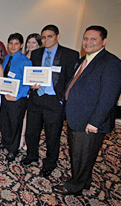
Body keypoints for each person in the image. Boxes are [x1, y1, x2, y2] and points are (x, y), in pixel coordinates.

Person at [53, 26, 121, 196]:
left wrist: (95, 122)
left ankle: (75, 186)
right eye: (86, 38)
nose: (88, 42)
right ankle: (82, 179)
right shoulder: (83, 60)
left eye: (93, 39)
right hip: (76, 116)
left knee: (83, 155)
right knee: (79, 153)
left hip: (90, 121)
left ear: (104, 41)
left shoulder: (111, 63)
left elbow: (109, 97)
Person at [22, 25, 79, 177]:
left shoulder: (70, 55)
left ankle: (50, 163)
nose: (46, 40)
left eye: (50, 36)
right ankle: (32, 155)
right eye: (44, 37)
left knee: (52, 135)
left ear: (58, 36)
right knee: (31, 131)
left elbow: (71, 80)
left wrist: (64, 101)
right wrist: (31, 84)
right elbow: (31, 74)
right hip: (36, 98)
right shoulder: (36, 53)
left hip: (54, 101)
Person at [0, 33, 31, 162]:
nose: (13, 46)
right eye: (11, 43)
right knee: (4, 121)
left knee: (15, 124)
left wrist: (17, 96)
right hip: (4, 96)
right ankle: (5, 143)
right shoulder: (5, 58)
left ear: (21, 45)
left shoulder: (26, 61)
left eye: (16, 43)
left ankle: (13, 149)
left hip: (17, 99)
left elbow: (26, 82)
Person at [19, 33, 42, 151]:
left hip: (34, 91)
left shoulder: (40, 57)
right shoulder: (23, 56)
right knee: (23, 115)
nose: (31, 44)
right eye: (29, 42)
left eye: (34, 42)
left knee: (30, 117)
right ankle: (21, 138)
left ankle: (28, 140)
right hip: (23, 90)